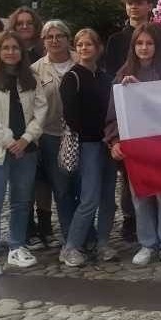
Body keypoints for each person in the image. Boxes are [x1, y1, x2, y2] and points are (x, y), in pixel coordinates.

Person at [0, 31, 47, 278]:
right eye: (5, 48)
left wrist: (26, 139)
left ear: (21, 52)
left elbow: (41, 111)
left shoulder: (31, 79)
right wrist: (9, 140)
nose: (11, 52)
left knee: (21, 201)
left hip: (25, 150)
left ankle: (17, 245)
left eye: (15, 48)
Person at [105, 24, 161, 266]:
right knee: (140, 196)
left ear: (157, 46)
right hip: (135, 147)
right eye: (139, 43)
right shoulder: (123, 73)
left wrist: (143, 91)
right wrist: (114, 141)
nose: (144, 48)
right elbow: (113, 113)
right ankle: (147, 243)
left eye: (149, 43)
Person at [102, 0, 161, 244]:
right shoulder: (116, 41)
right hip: (130, 121)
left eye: (139, 2)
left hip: (157, 125)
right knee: (131, 179)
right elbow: (114, 84)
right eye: (130, 3)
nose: (134, 7)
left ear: (149, 6)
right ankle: (134, 224)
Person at [58, 29, 118, 267]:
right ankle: (71, 246)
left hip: (108, 143)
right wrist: (99, 132)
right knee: (89, 198)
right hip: (88, 144)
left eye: (89, 44)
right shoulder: (72, 77)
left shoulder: (105, 77)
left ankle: (102, 243)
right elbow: (72, 117)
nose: (84, 48)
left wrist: (110, 136)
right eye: (80, 44)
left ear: (98, 48)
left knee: (108, 198)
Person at [30, 19, 77, 248]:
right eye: (50, 37)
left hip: (81, 134)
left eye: (60, 36)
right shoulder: (36, 70)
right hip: (51, 135)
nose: (55, 40)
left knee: (83, 187)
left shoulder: (81, 60)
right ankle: (70, 237)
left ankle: (86, 232)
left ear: (68, 38)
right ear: (43, 41)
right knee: (62, 189)